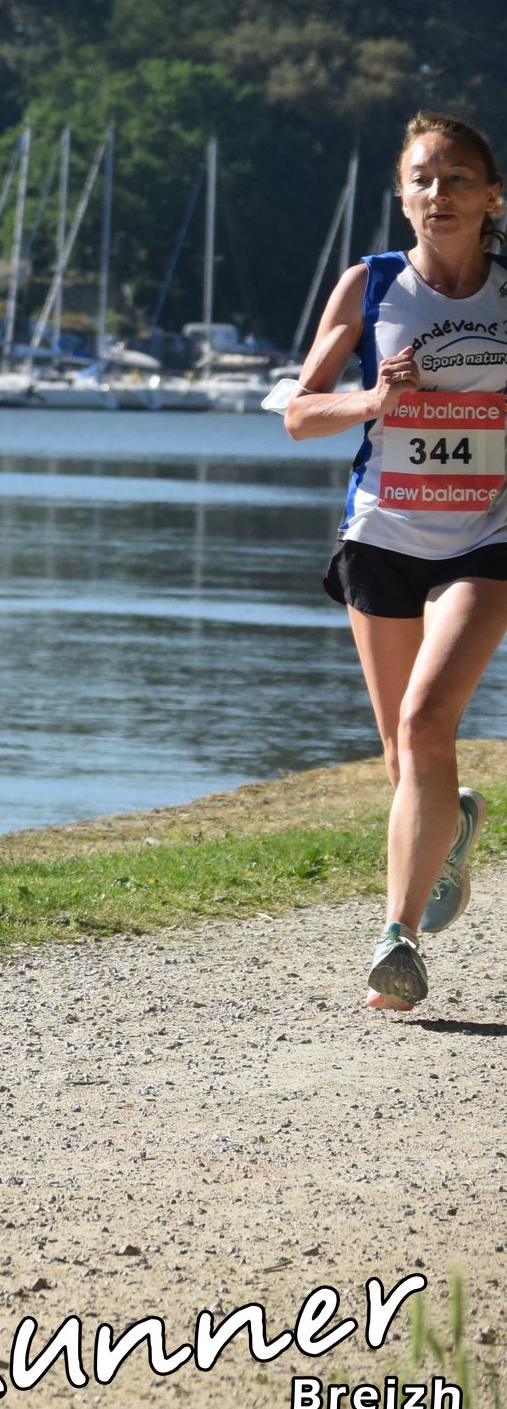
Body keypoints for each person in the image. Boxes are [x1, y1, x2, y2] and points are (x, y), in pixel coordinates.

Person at [284, 109, 503, 1011]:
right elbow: (300, 414)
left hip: (487, 536)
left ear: (493, 198)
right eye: (422, 179)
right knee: (401, 750)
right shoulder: (370, 285)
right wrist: (376, 400)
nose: (438, 194)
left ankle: (396, 941)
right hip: (382, 534)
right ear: (402, 196)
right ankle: (451, 830)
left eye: (457, 179)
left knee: (424, 721)